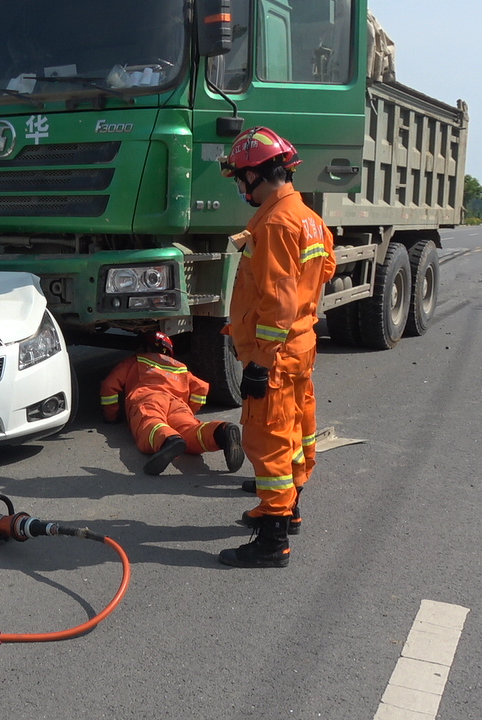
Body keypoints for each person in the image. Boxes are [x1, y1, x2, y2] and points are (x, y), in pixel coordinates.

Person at [216, 127, 337, 568]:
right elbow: (326, 269)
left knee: (266, 440)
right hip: (300, 345)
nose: (239, 186)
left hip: (276, 354)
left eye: (239, 178)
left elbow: (279, 300)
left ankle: (273, 540)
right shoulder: (307, 217)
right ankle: (291, 507)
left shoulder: (275, 223)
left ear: (255, 175)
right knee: (297, 430)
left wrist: (260, 362)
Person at [100, 331, 244, 476]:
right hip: (177, 403)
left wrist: (111, 416)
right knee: (190, 430)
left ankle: (168, 440)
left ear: (144, 347)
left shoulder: (135, 361)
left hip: (149, 398)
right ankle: (220, 432)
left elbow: (109, 385)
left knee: (149, 422)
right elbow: (201, 388)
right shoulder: (179, 366)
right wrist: (190, 410)